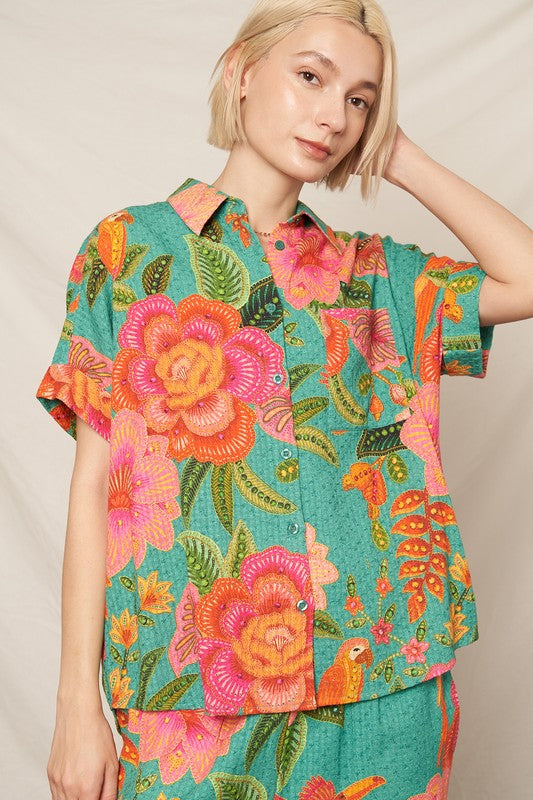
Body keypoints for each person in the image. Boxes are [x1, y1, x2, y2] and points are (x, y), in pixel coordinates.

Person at [35, 1, 533, 799]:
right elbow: (96, 486)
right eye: (310, 77)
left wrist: (397, 154)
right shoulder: (127, 252)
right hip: (188, 702)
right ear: (241, 71)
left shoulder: (377, 276)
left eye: (360, 100)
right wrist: (74, 705)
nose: (333, 115)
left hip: (383, 692)